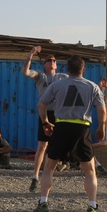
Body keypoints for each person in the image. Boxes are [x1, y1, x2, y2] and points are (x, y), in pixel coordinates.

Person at [30, 55, 106, 212]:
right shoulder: (92, 86)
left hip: (61, 126)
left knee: (49, 167)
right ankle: (92, 206)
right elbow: (102, 109)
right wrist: (101, 127)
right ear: (83, 69)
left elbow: (41, 104)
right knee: (90, 170)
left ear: (67, 70)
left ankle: (43, 202)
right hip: (82, 128)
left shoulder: (58, 84)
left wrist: (45, 123)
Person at [22, 46, 69, 193]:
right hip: (45, 113)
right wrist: (31, 54)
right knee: (42, 146)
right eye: (49, 60)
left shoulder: (63, 77)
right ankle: (35, 176)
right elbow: (25, 71)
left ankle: (92, 166)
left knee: (67, 142)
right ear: (45, 64)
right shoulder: (40, 76)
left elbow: (78, 82)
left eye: (54, 60)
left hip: (60, 114)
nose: (52, 62)